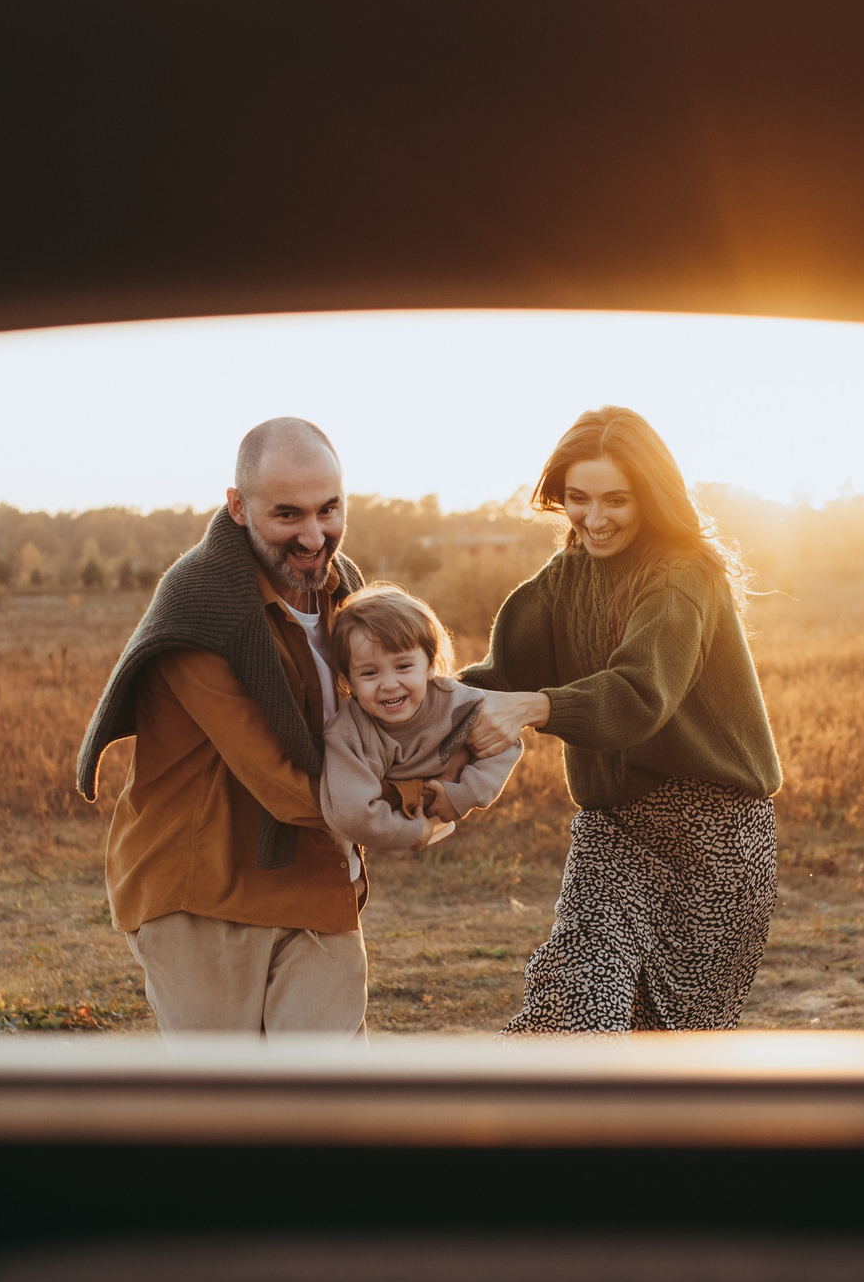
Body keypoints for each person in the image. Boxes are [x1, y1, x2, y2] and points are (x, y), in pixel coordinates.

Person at [461, 407, 783, 1032]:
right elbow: (498, 677)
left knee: (675, 1045)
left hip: (716, 835)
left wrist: (540, 705)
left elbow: (639, 693)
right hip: (614, 830)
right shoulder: (565, 576)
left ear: (652, 498)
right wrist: (403, 697)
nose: (595, 518)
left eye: (617, 500)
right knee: (572, 1003)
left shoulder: (681, 578)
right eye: (578, 498)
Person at [74, 418, 370, 1034]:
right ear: (236, 506)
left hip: (312, 877)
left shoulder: (347, 589)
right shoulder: (203, 600)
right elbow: (279, 778)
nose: (314, 536)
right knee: (229, 1111)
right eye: (287, 515)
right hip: (202, 892)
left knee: (329, 1105)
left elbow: (389, 713)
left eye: (329, 509)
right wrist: (403, 809)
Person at [319, 583, 523, 859]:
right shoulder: (349, 732)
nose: (390, 684)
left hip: (443, 806)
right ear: (348, 681)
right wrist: (414, 832)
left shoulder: (455, 702)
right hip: (395, 828)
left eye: (403, 666)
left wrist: (464, 794)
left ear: (430, 665)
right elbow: (351, 813)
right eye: (369, 673)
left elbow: (505, 742)